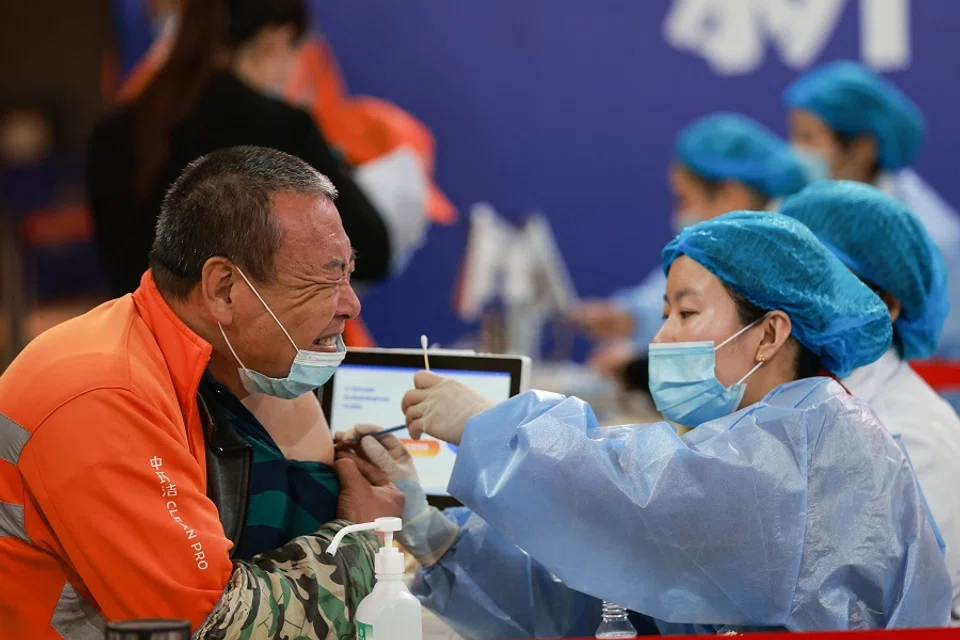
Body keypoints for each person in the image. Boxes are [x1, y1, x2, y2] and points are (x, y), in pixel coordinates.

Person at [344, 212, 952, 636]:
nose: (661, 338)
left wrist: (493, 426)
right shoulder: (748, 438)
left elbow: (634, 493)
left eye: (686, 312)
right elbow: (607, 601)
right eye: (664, 313)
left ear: (769, 332)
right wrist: (432, 531)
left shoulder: (818, 439)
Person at [0, 146, 404, 638]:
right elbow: (213, 627)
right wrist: (364, 541)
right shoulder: (104, 395)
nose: (351, 304)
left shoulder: (210, 368)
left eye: (348, 271)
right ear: (224, 289)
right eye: (325, 276)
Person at [87, 0, 391, 298]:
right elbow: (371, 249)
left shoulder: (113, 132)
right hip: (241, 346)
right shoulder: (281, 128)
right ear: (277, 38)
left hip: (140, 341)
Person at [780, 180, 960, 622]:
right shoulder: (801, 400)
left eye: (824, 283)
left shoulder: (915, 438)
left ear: (889, 304)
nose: (798, 302)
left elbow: (888, 614)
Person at [569, 112, 810, 380]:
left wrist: (636, 364)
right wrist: (629, 320)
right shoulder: (730, 251)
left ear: (731, 193)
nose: (680, 213)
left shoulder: (778, 257)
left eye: (684, 199)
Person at [784, 60, 960, 358]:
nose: (795, 152)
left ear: (863, 148)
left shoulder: (932, 239)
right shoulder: (806, 209)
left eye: (808, 137)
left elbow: (937, 362)